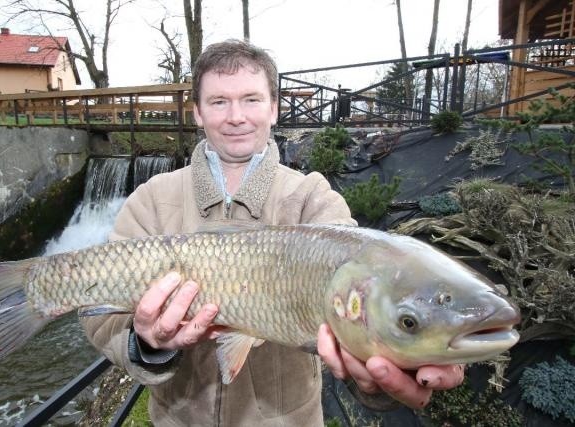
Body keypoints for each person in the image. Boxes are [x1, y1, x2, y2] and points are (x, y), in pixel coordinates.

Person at [81, 39, 464, 426]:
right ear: (197, 112)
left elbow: (364, 308)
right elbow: (95, 308)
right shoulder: (151, 200)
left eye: (251, 99)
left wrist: (398, 361)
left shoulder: (313, 198)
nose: (236, 116)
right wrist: (147, 345)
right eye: (218, 102)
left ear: (274, 108)